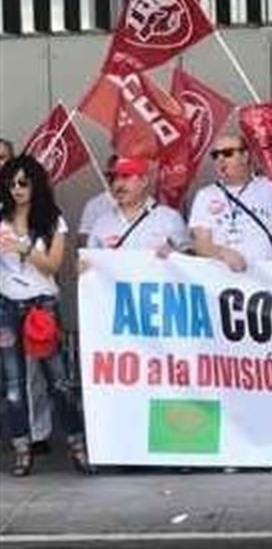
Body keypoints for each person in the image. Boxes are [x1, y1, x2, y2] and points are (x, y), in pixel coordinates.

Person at [0, 155, 90, 476]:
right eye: (11, 183)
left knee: (59, 382)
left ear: (35, 183)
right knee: (13, 385)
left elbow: (53, 266)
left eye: (23, 182)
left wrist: (24, 249)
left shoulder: (52, 219)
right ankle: (22, 449)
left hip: (42, 304)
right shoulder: (1, 217)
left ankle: (77, 445)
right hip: (7, 305)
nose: (16, 189)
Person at [189, 136, 272, 271]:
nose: (220, 159)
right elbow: (202, 244)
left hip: (269, 279)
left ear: (245, 156)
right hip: (223, 280)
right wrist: (222, 253)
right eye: (215, 155)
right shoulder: (206, 195)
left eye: (227, 153)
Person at [85, 157, 189, 253]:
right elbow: (89, 262)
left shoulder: (169, 218)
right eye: (113, 178)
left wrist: (174, 254)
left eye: (125, 177)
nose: (118, 184)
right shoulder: (102, 223)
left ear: (144, 181)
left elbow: (189, 260)